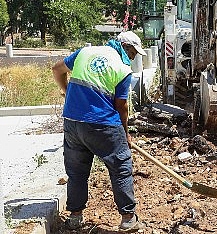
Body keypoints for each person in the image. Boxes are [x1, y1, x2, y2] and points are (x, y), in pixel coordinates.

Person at [51, 31, 146, 232]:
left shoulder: (85, 52)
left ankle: (75, 217)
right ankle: (128, 218)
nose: (133, 57)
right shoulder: (122, 69)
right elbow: (122, 106)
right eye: (133, 53)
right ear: (125, 47)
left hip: (73, 122)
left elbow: (57, 69)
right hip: (103, 124)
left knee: (76, 172)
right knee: (120, 167)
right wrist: (125, 133)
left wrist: (67, 91)